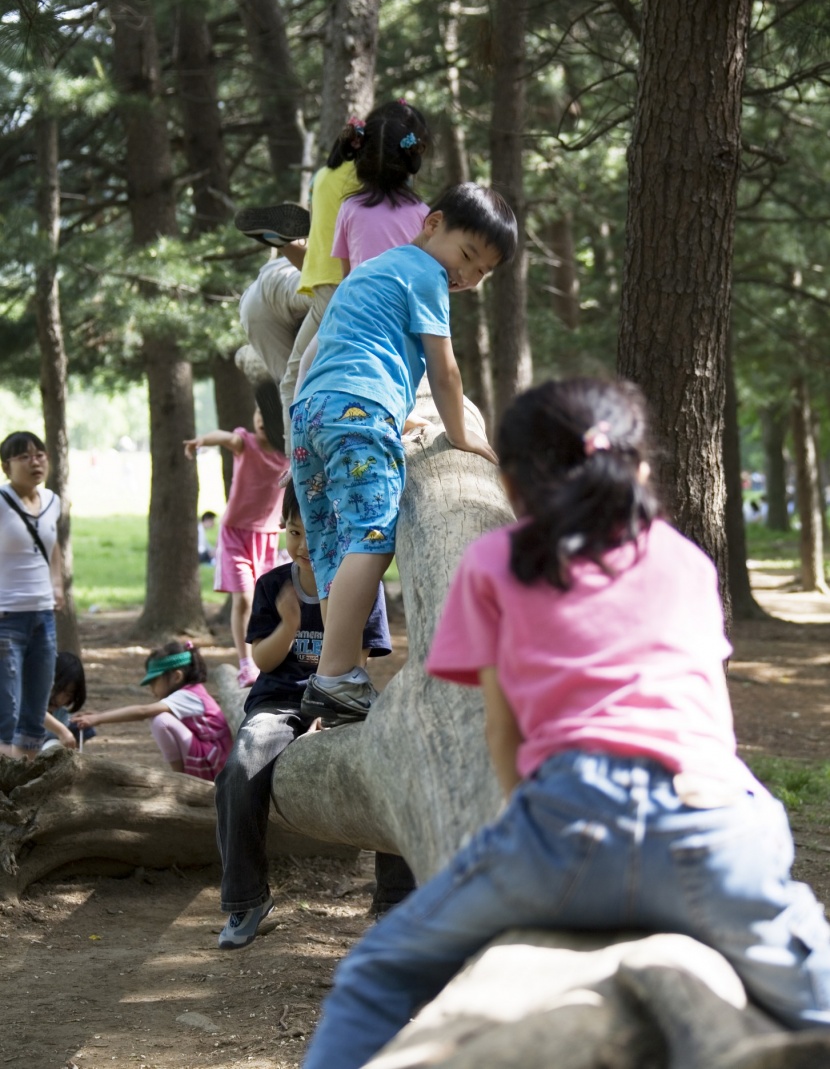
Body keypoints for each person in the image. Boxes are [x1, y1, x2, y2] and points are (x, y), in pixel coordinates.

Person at [300, 378, 830, 1069]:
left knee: (378, 972)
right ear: (637, 468)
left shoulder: (496, 560)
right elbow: (709, 722)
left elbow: (502, 730)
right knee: (811, 977)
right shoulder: (685, 561)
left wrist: (529, 825)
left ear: (513, 486)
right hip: (712, 826)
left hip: (567, 828)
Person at [291, 182, 517, 725]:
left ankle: (337, 676)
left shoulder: (371, 271)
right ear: (433, 224)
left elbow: (321, 353)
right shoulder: (426, 274)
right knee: (372, 536)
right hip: (358, 410)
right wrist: (461, 434)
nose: (466, 276)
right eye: (467, 255)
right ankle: (333, 678)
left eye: (482, 272)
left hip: (312, 414)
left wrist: (378, 413)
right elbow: (444, 368)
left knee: (328, 548)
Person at [214, 478, 392, 949]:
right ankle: (246, 898)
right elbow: (264, 662)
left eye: (315, 530)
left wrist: (327, 712)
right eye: (293, 531)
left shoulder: (360, 585)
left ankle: (396, 901)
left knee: (397, 764)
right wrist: (291, 624)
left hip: (341, 699)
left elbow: (357, 661)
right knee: (239, 770)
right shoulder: (273, 585)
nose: (303, 544)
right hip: (278, 700)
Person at [237, 99, 429, 450]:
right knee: (299, 374)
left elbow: (337, 259)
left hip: (314, 277)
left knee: (293, 367)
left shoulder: (330, 176)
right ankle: (299, 459)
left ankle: (299, 451)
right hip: (345, 290)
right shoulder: (379, 189)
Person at [184, 408, 289, 686]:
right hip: (235, 535)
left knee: (264, 602)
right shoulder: (246, 443)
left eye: (267, 411)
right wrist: (202, 441)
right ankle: (246, 665)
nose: (260, 418)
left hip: (266, 537)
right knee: (243, 598)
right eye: (257, 411)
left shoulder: (287, 451)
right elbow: (225, 437)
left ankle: (266, 660)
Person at [72, 641, 232, 780]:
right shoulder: (191, 692)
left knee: (160, 720)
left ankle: (180, 778)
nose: (151, 688)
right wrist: (98, 715)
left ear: (176, 676)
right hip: (214, 758)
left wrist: (99, 719)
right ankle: (182, 778)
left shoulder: (189, 695)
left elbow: (143, 711)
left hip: (216, 762)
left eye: (154, 681)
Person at [0, 431, 64, 759]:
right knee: (6, 710)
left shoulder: (53, 501)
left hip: (44, 617)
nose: (35, 461)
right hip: (6, 619)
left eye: (40, 454)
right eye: (24, 456)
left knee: (35, 709)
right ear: (6, 466)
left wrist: (56, 585)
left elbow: (52, 550)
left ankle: (23, 787)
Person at [330, 101, 431, 276]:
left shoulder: (350, 208)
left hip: (358, 302)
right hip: (403, 303)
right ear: (409, 161)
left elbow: (346, 275)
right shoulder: (423, 213)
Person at [42, 650, 95, 749]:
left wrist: (78, 724)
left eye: (68, 694)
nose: (60, 699)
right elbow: (34, 713)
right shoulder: (24, 707)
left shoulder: (60, 715)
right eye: (58, 689)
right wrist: (61, 730)